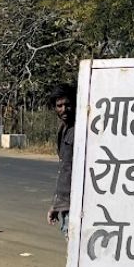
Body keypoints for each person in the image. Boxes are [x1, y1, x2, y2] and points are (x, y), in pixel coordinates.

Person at [46, 83, 76, 239]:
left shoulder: (80, 129)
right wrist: (55, 205)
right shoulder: (63, 130)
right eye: (59, 106)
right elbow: (63, 171)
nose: (64, 109)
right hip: (66, 205)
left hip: (77, 206)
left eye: (68, 105)